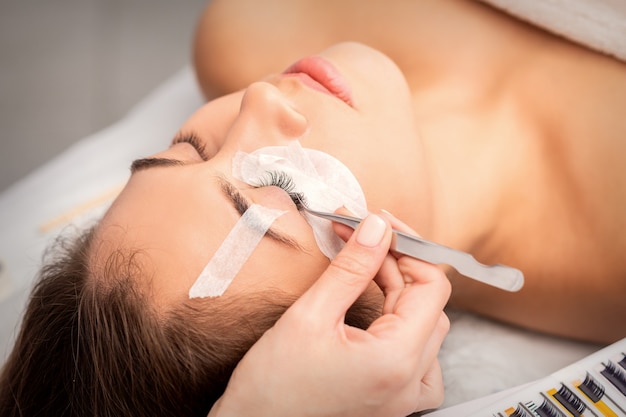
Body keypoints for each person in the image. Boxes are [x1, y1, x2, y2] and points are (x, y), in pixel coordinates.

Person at [1, 0, 625, 415]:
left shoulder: (257, 21)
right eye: (285, 190)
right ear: (383, 312)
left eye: (189, 149)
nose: (258, 102)